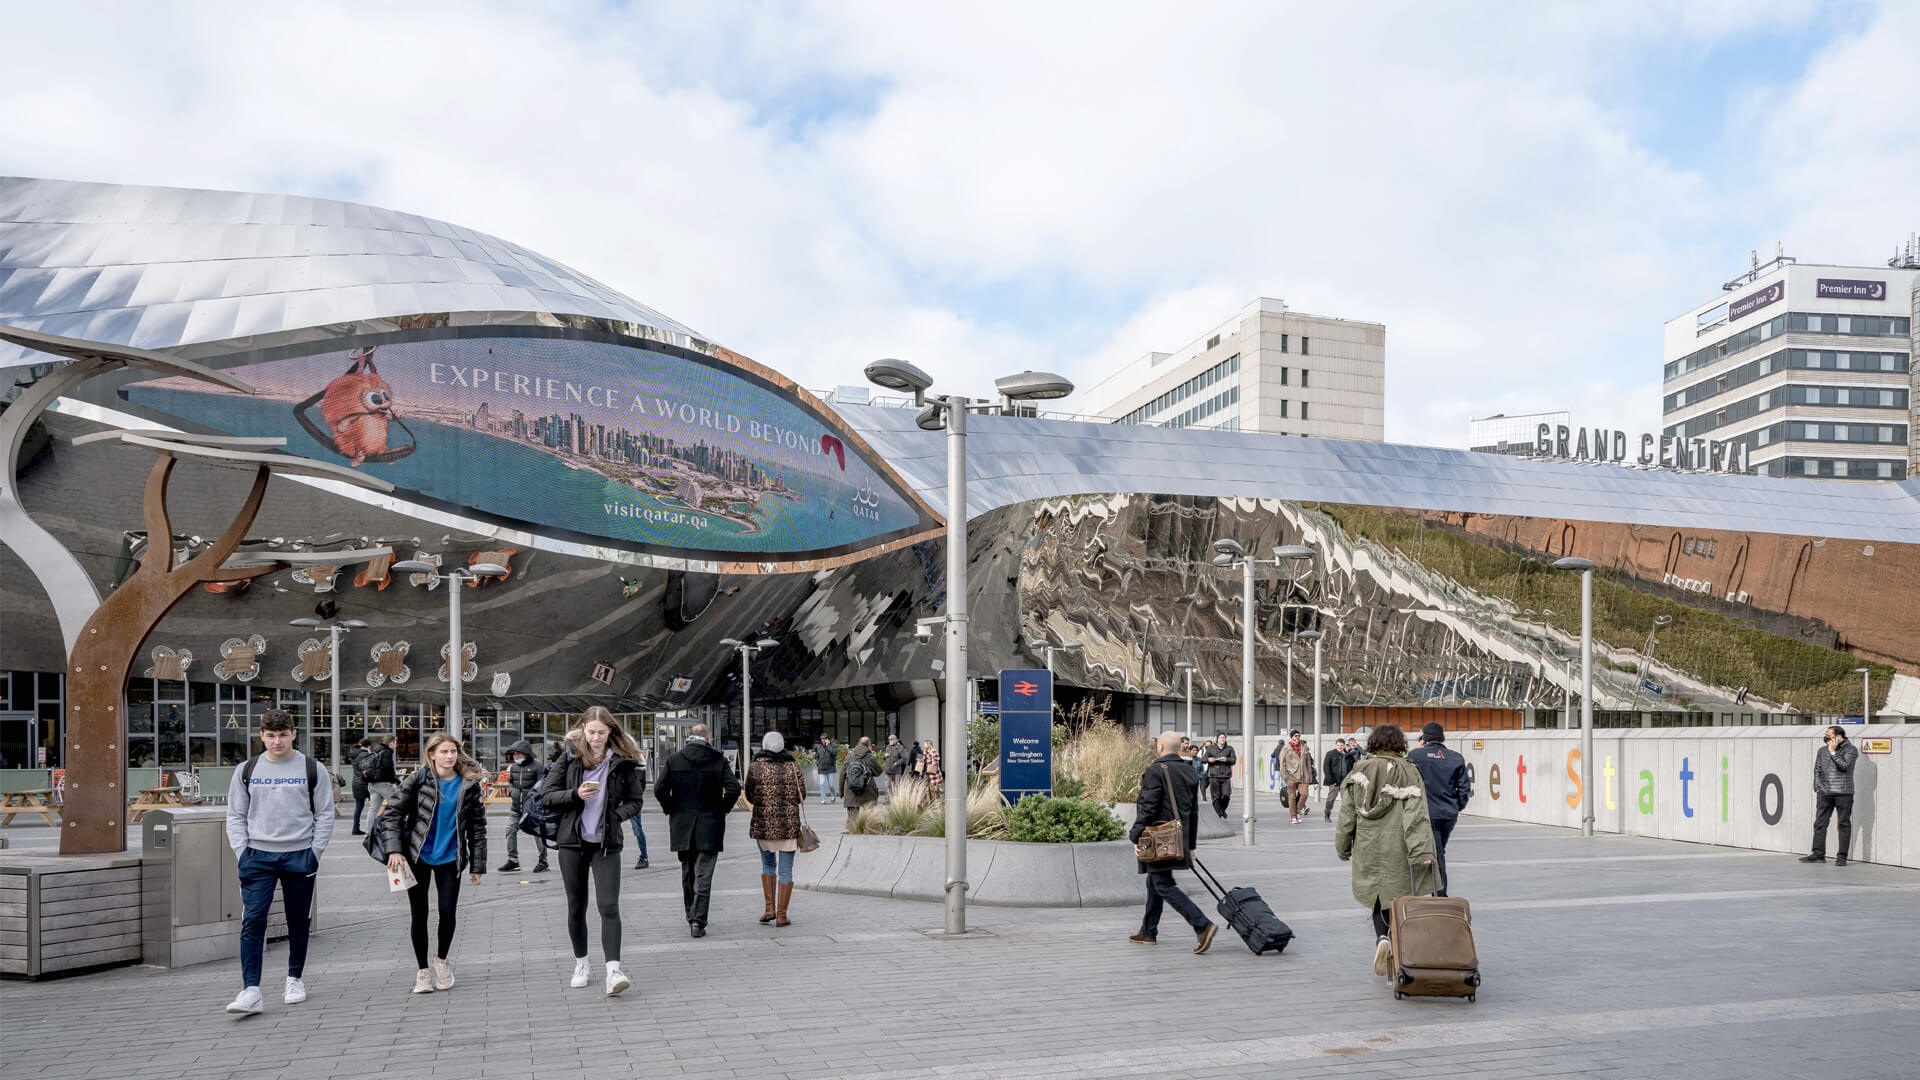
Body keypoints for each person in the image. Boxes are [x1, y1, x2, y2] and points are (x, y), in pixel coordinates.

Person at [223, 708, 332, 1016]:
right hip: (257, 856)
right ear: (261, 736)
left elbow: (324, 814)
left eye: (283, 735)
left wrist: (315, 852)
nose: (277, 742)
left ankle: (294, 978)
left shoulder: (312, 768)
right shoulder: (247, 770)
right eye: (270, 736)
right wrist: (242, 852)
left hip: (300, 855)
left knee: (298, 920)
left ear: (293, 734)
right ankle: (251, 990)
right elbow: (235, 814)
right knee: (253, 920)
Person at [539, 706, 646, 995]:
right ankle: (582, 963)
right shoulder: (570, 757)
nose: (596, 738)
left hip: (606, 843)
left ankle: (614, 971)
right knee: (577, 906)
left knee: (609, 906)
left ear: (611, 731)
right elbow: (546, 796)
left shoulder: (622, 762)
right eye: (591, 732)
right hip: (572, 843)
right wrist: (576, 794)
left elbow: (636, 800)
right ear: (582, 730)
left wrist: (617, 816)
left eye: (601, 732)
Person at [379, 732, 487, 994]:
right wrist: (394, 850)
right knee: (420, 914)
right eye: (444, 752)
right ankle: (422, 972)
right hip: (417, 857)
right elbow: (391, 814)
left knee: (447, 912)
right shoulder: (418, 779)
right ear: (431, 754)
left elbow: (477, 827)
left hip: (451, 857)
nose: (449, 757)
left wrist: (477, 866)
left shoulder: (468, 784)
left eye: (453, 752)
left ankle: (441, 961)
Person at [1334, 724, 1438, 979]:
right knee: (1399, 895)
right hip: (1399, 845)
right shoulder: (1409, 771)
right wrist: (1420, 850)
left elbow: (1346, 814)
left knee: (1376, 896)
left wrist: (1343, 846)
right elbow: (1416, 815)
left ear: (1373, 744)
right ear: (1399, 745)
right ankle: (1398, 949)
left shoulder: (1359, 770)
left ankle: (1382, 937)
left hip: (1368, 845)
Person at [1127, 730, 1217, 953]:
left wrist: (1135, 833)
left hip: (1160, 839)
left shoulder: (1155, 771)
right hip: (1179, 837)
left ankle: (1202, 925)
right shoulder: (1189, 772)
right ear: (1179, 748)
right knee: (1155, 882)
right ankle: (1148, 931)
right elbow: (1194, 812)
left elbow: (1148, 807)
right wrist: (1191, 844)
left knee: (1163, 884)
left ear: (1160, 748)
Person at [656, 723, 741, 938]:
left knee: (688, 871)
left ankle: (690, 914)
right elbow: (734, 788)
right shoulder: (718, 760)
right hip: (710, 823)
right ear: (708, 738)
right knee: (705, 874)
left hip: (682, 824)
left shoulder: (674, 759)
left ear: (689, 737)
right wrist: (721, 809)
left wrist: (670, 808)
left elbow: (660, 789)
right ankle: (698, 921)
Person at [746, 730, 807, 927]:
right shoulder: (792, 767)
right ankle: (781, 915)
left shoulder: (755, 767)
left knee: (768, 866)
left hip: (763, 825)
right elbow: (802, 795)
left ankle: (769, 909)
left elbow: (749, 794)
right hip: (789, 827)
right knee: (786, 871)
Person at [1406, 722, 1471, 895]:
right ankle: (1437, 892)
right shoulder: (1456, 757)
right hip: (1448, 813)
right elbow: (1464, 789)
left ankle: (1440, 894)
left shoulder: (1415, 755)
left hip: (1426, 813)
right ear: (1442, 737)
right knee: (1438, 850)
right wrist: (1457, 806)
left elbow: (1404, 776)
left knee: (1436, 853)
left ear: (1424, 738)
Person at [1801, 725, 1859, 866]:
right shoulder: (1822, 750)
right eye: (1826, 734)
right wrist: (1818, 787)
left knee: (1843, 824)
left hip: (1843, 793)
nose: (1826, 736)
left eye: (1829, 734)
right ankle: (1818, 853)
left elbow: (1844, 766)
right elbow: (1817, 770)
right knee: (1820, 823)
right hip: (1825, 793)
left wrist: (1833, 752)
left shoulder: (1851, 750)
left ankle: (1842, 857)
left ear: (1839, 737)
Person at [498, 739, 548, 874]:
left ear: (526, 754)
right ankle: (513, 860)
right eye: (514, 754)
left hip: (532, 809)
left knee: (538, 833)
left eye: (519, 754)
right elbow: (510, 783)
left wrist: (532, 797)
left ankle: (543, 860)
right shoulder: (513, 768)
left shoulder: (538, 767)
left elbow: (541, 786)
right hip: (516, 808)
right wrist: (511, 791)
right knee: (510, 830)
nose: (516, 757)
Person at [361, 735, 398, 833]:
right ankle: (393, 829)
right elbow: (388, 768)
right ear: (391, 744)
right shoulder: (387, 752)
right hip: (383, 783)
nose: (396, 745)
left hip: (372, 783)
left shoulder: (375, 750)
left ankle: (369, 833)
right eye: (395, 743)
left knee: (373, 809)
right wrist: (396, 780)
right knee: (396, 804)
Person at [841, 736, 881, 821]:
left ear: (858, 743)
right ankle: (869, 828)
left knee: (852, 816)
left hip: (850, 790)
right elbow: (879, 772)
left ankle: (851, 828)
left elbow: (842, 775)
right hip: (867, 790)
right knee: (869, 814)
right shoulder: (870, 757)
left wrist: (841, 792)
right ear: (869, 745)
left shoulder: (849, 756)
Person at [1199, 733, 1236, 819]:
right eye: (1221, 737)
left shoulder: (1229, 749)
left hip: (1226, 775)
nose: (1222, 739)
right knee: (1216, 796)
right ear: (1217, 739)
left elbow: (1233, 760)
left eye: (1224, 737)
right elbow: (1203, 759)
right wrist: (1208, 759)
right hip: (1214, 775)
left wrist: (1227, 759)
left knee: (1226, 795)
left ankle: (1221, 810)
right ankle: (1219, 813)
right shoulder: (1210, 748)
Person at [1278, 731, 1312, 824]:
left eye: (1299, 735)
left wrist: (1309, 775)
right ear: (1291, 737)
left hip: (1303, 776)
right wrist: (1285, 776)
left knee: (1304, 794)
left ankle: (1297, 812)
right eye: (1295, 735)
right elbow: (1282, 763)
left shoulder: (1304, 746)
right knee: (1292, 797)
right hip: (1291, 776)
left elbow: (1308, 762)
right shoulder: (1286, 748)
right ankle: (1293, 816)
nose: (1297, 737)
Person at [628, 745, 651, 870]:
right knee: (606, 825)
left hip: (632, 800)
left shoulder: (638, 764)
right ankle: (598, 854)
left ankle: (644, 856)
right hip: (622, 799)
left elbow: (640, 785)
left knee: (637, 828)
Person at [1321, 738, 1352, 821]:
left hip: (1344, 781)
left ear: (1344, 745)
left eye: (1341, 745)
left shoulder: (1347, 755)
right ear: (1336, 745)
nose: (1340, 747)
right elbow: (1326, 768)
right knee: (1331, 799)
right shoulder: (1330, 754)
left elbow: (1351, 767)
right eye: (1338, 745)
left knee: (1346, 800)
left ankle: (1345, 817)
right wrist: (1331, 780)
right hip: (1334, 781)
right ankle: (1327, 814)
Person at [348, 737, 372, 836]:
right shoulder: (366, 755)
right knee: (375, 806)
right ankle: (375, 826)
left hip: (356, 783)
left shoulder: (354, 755)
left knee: (358, 807)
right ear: (368, 746)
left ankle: (355, 827)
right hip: (366, 782)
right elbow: (369, 768)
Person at [815, 734, 839, 803]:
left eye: (824, 739)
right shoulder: (818, 746)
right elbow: (816, 756)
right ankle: (823, 799)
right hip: (822, 768)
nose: (823, 740)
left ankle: (833, 795)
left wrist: (828, 745)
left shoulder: (833, 745)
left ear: (827, 739)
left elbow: (834, 753)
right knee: (822, 783)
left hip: (830, 768)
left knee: (831, 785)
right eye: (821, 739)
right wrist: (818, 763)